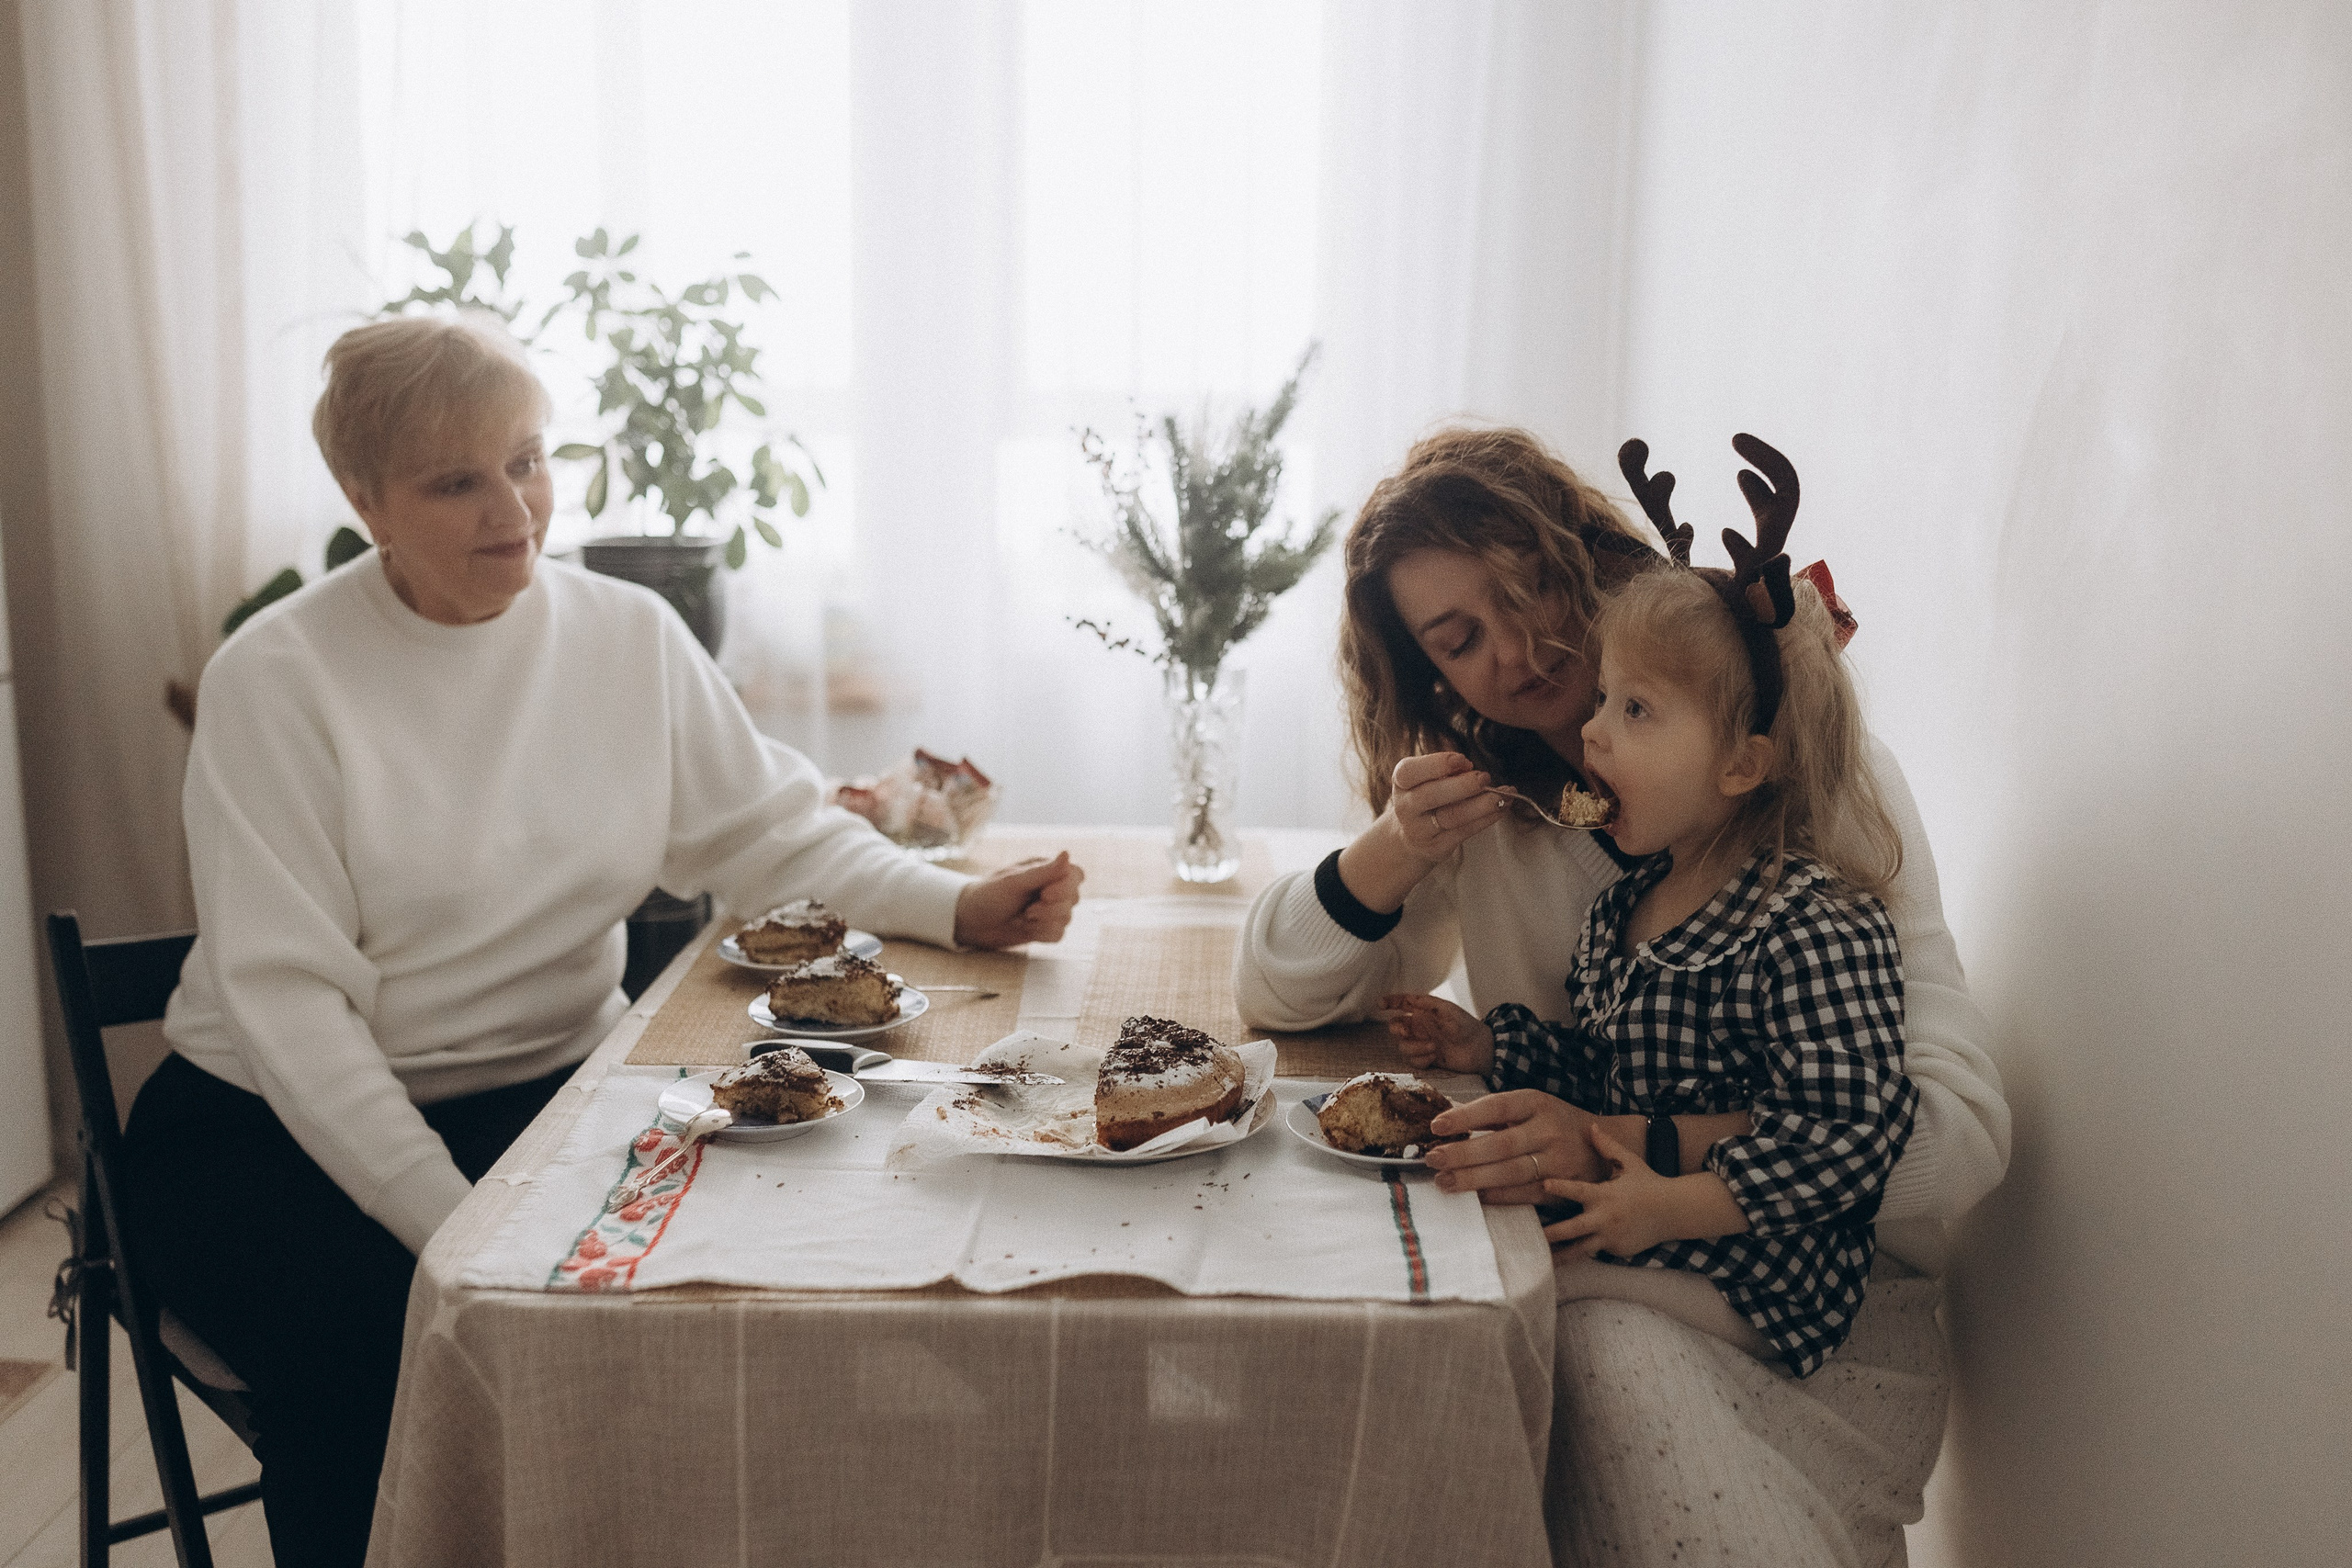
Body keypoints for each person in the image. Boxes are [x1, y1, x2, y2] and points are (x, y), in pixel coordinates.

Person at [122, 313, 1085, 1568]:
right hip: (270, 1132)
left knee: (750, 1301)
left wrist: (953, 905)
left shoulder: (625, 635)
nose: (512, 505)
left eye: (526, 459)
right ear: (365, 500)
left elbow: (769, 834)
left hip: (550, 1098)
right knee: (397, 1353)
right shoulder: (279, 677)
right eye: (456, 479)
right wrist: (458, 1228)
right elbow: (293, 1011)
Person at [1233, 426, 2009, 1564]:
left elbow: (1959, 1135)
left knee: (1537, 1358)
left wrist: (1610, 1147)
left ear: (1593, 560)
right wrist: (1394, 847)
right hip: (1608, 1273)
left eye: (1530, 591)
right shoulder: (1498, 815)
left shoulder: (1794, 771)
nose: (1518, 652)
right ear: (1431, 677)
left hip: (1819, 1318)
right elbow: (1273, 992)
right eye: (1460, 640)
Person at [1382, 446, 1917, 1378]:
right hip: (1660, 1225)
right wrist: (1492, 1049)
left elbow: (1847, 1131)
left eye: (1633, 711)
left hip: (1759, 1271)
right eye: (1602, 701)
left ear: (1744, 763)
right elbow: (1608, 1065)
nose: (1590, 733)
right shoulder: (1626, 905)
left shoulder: (1811, 922)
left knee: (1499, 1307)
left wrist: (1671, 1201)